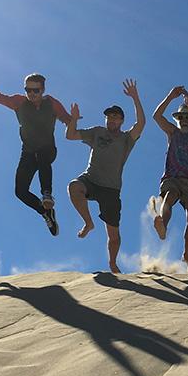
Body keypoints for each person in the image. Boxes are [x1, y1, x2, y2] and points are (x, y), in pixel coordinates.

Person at [0, 72, 70, 236]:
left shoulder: (51, 103)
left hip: (47, 149)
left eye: (35, 91)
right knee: (20, 191)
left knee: (42, 156)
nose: (31, 94)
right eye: (28, 90)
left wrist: (72, 120)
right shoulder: (19, 102)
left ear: (43, 90)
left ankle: (47, 193)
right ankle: (46, 212)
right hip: (28, 152)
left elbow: (67, 119)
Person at [65, 79, 146, 273]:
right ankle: (88, 223)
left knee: (114, 234)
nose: (111, 119)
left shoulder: (127, 139)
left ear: (121, 121)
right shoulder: (97, 132)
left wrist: (135, 97)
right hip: (90, 180)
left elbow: (141, 123)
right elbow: (70, 135)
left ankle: (112, 263)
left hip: (111, 188)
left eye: (116, 117)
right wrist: (73, 119)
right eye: (109, 117)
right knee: (74, 187)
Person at [152, 86, 188, 273]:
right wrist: (169, 96)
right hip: (173, 178)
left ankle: (186, 254)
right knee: (169, 196)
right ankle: (162, 224)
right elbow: (157, 116)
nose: (184, 120)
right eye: (181, 117)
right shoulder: (172, 133)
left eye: (187, 117)